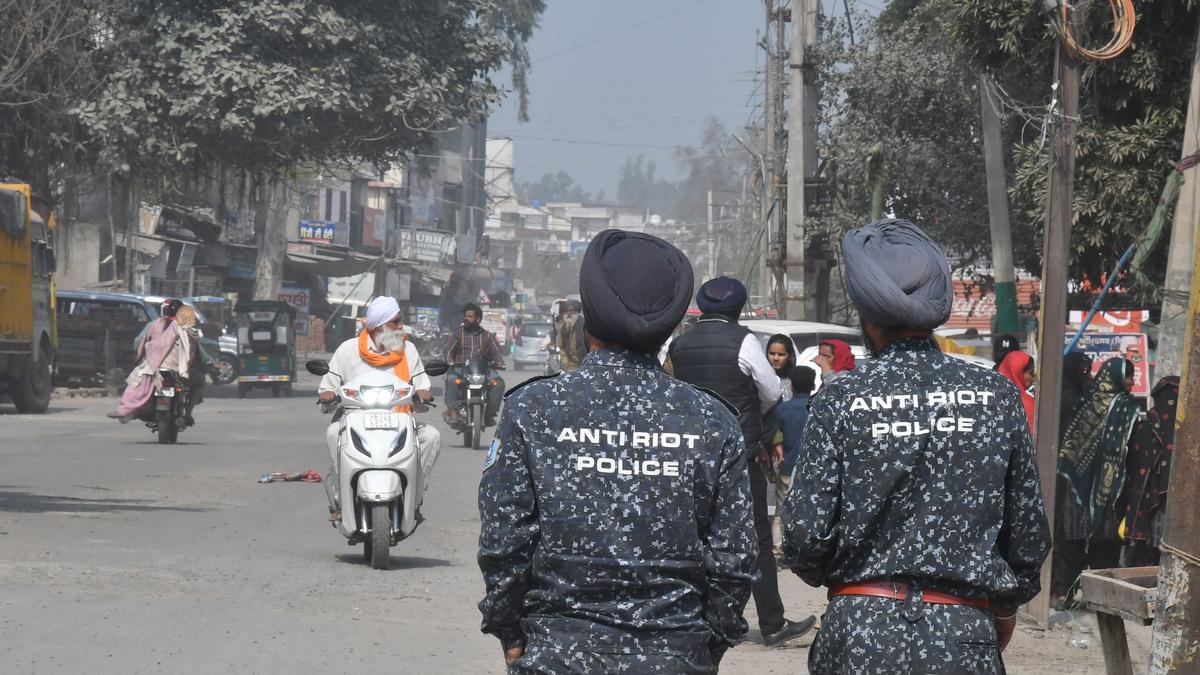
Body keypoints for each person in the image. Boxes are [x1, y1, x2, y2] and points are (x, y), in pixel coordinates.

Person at [478, 229, 758, 673]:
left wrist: (509, 631)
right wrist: (709, 644)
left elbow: (505, 540)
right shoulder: (712, 421)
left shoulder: (532, 408)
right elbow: (734, 559)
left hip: (558, 652)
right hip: (674, 653)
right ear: (668, 325)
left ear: (589, 321)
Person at [782, 218, 1051, 674]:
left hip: (859, 636)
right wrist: (1003, 606)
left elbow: (806, 537)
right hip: (964, 633)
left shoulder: (840, 399)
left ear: (867, 315)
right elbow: (1027, 535)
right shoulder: (995, 395)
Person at [668, 276, 817, 648]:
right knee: (757, 540)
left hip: (691, 455)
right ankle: (772, 624)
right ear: (738, 308)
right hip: (739, 455)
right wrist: (750, 416)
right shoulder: (745, 340)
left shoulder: (680, 343)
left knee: (697, 537)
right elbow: (770, 391)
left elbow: (670, 390)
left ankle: (696, 620)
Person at [318, 296, 440, 522]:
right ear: (377, 326)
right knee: (334, 432)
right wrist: (327, 395)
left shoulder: (409, 351)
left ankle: (414, 498)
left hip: (399, 421)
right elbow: (328, 387)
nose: (401, 327)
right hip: (356, 422)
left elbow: (422, 388)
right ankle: (340, 497)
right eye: (395, 322)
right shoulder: (347, 350)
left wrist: (423, 394)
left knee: (431, 436)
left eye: (400, 321)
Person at [1057, 358, 1140, 573]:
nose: (1132, 382)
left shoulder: (1127, 409)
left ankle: (1099, 600)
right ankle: (1066, 596)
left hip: (1109, 492)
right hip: (1079, 490)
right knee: (1074, 546)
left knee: (1105, 552)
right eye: (1128, 376)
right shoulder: (1086, 403)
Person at [1121, 376, 1180, 566]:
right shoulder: (1182, 427)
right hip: (1164, 503)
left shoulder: (1147, 423)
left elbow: (1134, 464)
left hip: (1148, 502)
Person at [1051, 351, 1095, 600]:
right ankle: (1061, 589)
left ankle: (1059, 589)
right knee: (1067, 532)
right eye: (1083, 370)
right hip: (1068, 478)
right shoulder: (1073, 399)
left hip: (1059, 476)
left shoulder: (1061, 395)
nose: (1086, 376)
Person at [110, 299, 191, 422]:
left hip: (153, 365)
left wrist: (144, 354)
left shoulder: (154, 324)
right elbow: (193, 348)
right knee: (192, 384)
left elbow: (139, 343)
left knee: (137, 381)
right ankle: (187, 414)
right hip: (177, 368)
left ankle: (130, 408)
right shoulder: (185, 327)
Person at [772, 366, 816, 559]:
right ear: (813, 385)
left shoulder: (782, 409)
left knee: (782, 510)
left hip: (788, 467)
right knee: (809, 510)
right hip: (812, 468)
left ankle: (779, 548)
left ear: (791, 385)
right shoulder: (816, 408)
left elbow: (775, 435)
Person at [444, 303, 507, 425]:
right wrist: (450, 361)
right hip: (460, 369)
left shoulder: (487, 336)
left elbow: (496, 352)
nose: (466, 318)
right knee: (451, 380)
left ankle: (490, 413)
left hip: (483, 370)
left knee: (498, 383)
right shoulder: (457, 334)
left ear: (478, 319)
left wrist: (500, 363)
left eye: (470, 316)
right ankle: (452, 411)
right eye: (466, 316)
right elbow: (448, 350)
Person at [997, 350, 1036, 432]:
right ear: (1018, 372)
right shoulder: (1024, 404)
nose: (1032, 379)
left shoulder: (991, 398)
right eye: (1031, 373)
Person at [555, 300, 587, 371]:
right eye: (566, 311)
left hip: (583, 362)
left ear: (576, 312)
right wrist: (565, 362)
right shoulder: (562, 327)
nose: (569, 313)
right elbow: (561, 347)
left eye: (571, 310)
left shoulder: (585, 326)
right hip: (569, 365)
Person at [765, 334, 796, 401]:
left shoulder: (796, 380)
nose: (776, 358)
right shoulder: (760, 378)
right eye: (772, 353)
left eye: (781, 354)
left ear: (790, 356)